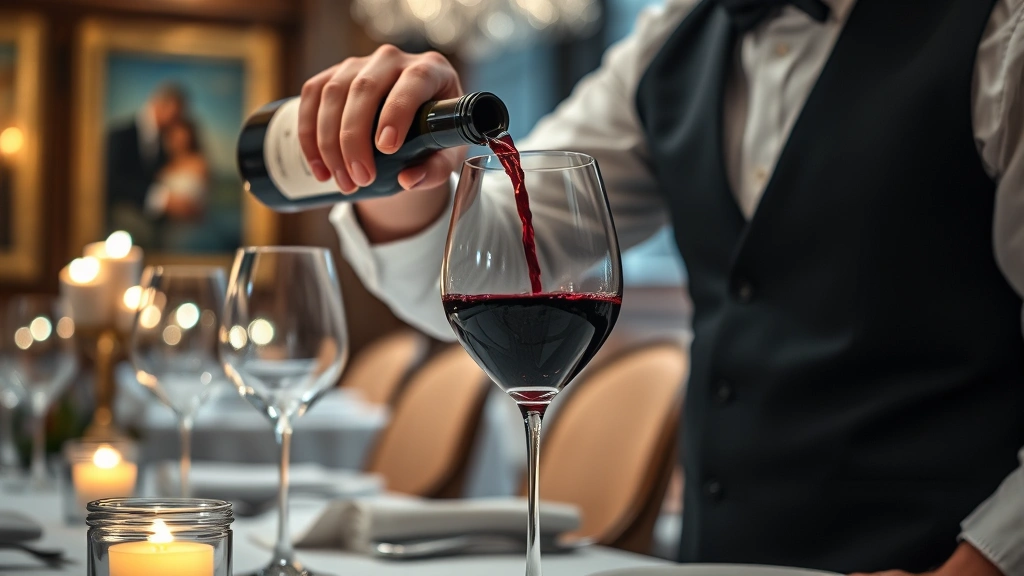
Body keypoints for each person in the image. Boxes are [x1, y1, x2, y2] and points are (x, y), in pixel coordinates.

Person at [297, 0, 1024, 574]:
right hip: (715, 557)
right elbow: (490, 262)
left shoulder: (998, 29)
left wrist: (985, 562)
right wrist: (402, 163)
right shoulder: (672, 38)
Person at [105, 83, 187, 243]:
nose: (177, 120)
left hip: (164, 220)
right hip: (126, 212)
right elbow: (114, 180)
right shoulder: (120, 135)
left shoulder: (168, 141)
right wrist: (162, 199)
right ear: (160, 105)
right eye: (175, 114)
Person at [145, 118, 209, 223]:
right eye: (173, 137)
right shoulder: (162, 164)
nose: (178, 142)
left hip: (192, 223)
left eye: (182, 137)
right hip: (163, 224)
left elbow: (202, 201)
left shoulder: (199, 163)